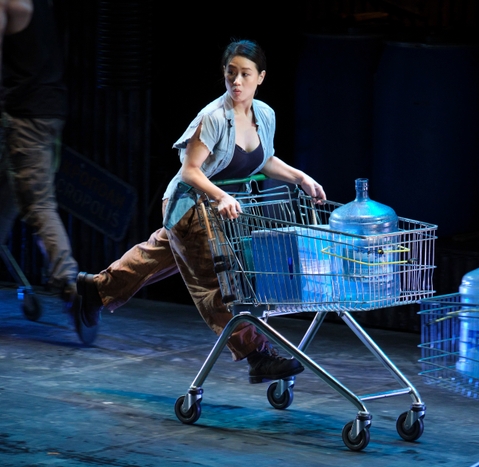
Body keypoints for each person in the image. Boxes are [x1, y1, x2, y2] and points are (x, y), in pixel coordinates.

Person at [75, 38, 326, 383]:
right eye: (231, 72)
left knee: (159, 255)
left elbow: (263, 159)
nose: (237, 81)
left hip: (223, 213)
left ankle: (96, 289)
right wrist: (221, 195)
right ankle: (258, 354)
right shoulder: (213, 117)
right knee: (215, 279)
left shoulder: (265, 115)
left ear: (261, 77)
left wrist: (301, 178)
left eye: (245, 74)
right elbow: (190, 171)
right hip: (191, 206)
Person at [0, 0, 79, 307]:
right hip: (48, 110)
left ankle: (69, 282)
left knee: (37, 204)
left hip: (25, 117)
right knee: (6, 197)